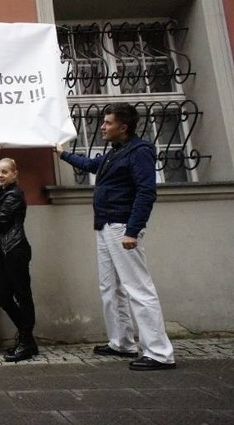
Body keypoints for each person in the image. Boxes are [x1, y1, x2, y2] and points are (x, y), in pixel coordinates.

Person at [56, 102, 176, 371]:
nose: (102, 127)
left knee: (138, 288)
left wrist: (133, 230)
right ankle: (121, 342)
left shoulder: (140, 151)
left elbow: (146, 192)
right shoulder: (114, 153)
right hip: (105, 226)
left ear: (123, 127)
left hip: (122, 227)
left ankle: (159, 352)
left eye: (107, 123)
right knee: (109, 287)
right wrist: (62, 154)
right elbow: (90, 164)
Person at [0, 148, 38, 362]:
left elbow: (0, 224)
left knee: (23, 297)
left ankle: (26, 342)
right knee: (4, 298)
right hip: (7, 253)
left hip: (16, 251)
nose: (0, 175)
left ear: (15, 174)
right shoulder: (4, 191)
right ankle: (28, 340)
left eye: (5, 172)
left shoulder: (13, 196)